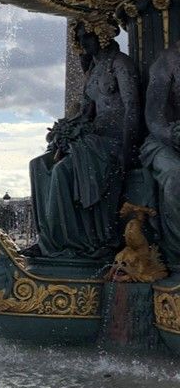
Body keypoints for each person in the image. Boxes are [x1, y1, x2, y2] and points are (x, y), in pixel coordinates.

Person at [28, 17, 140, 259]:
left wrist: (131, 151)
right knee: (38, 165)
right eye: (77, 39)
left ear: (101, 34)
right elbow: (86, 113)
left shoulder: (121, 64)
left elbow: (133, 109)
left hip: (114, 142)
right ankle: (47, 238)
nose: (80, 43)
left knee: (61, 172)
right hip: (93, 139)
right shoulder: (92, 71)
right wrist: (64, 132)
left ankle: (67, 242)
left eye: (85, 37)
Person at [141, 44, 180, 269]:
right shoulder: (167, 60)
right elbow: (153, 115)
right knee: (175, 174)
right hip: (164, 140)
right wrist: (170, 134)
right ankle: (176, 257)